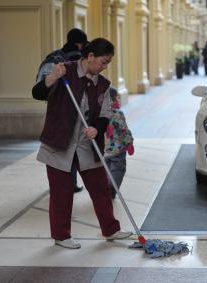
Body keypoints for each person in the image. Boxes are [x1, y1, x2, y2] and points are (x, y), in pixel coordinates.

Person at [32, 38, 132, 249]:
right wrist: (51, 78)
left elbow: (105, 113)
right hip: (59, 143)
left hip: (87, 143)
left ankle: (111, 229)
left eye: (108, 63)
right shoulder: (63, 72)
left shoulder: (103, 84)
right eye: (103, 62)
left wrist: (97, 128)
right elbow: (37, 93)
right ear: (90, 56)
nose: (105, 67)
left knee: (100, 188)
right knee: (62, 191)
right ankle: (61, 236)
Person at [35, 28, 89, 194]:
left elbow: (39, 90)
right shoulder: (81, 59)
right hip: (78, 115)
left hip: (57, 114)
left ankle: (64, 185)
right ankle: (71, 184)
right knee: (75, 152)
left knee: (61, 153)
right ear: (79, 43)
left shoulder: (52, 59)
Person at [104, 88, 134, 199]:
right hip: (118, 150)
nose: (119, 100)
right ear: (113, 99)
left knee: (106, 169)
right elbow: (124, 130)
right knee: (118, 169)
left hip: (104, 150)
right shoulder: (118, 113)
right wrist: (129, 143)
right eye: (118, 97)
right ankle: (112, 187)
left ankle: (105, 186)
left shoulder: (101, 113)